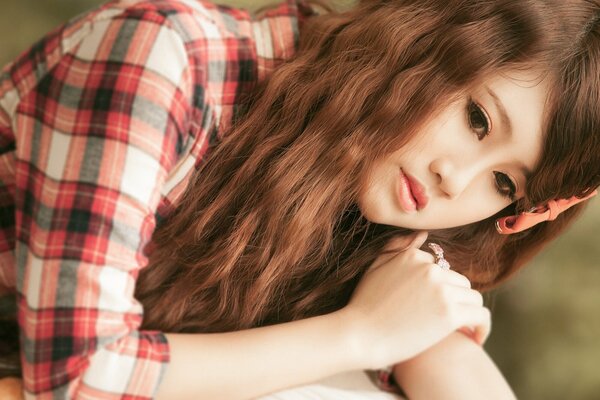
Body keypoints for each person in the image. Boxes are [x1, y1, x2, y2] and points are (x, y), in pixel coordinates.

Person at [0, 0, 599, 398]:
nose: (456, 180)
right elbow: (77, 376)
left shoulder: (377, 201)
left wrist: (403, 329)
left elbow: (449, 368)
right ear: (428, 35)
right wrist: (359, 334)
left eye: (504, 184)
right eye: (475, 119)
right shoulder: (166, 58)